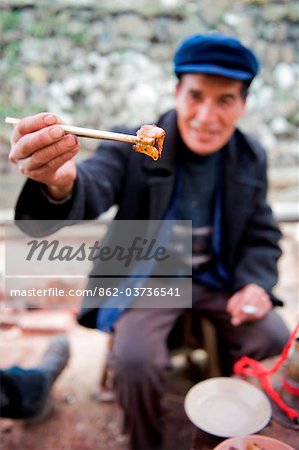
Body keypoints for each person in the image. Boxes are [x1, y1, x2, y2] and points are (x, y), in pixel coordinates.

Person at [8, 33, 290, 449]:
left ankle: (237, 432)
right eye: (195, 96)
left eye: (224, 100)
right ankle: (145, 440)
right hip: (150, 281)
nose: (206, 116)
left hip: (218, 278)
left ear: (242, 104)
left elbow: (262, 233)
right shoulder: (136, 146)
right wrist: (60, 182)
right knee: (136, 359)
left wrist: (255, 284)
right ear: (177, 92)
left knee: (273, 336)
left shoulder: (250, 157)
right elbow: (95, 183)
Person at [0, 334, 70, 422]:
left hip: (21, 402)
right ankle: (40, 409)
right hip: (32, 393)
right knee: (61, 345)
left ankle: (35, 411)